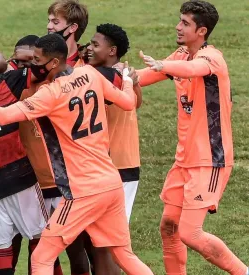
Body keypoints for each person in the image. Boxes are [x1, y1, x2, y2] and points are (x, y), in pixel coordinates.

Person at [0, 33, 154, 275]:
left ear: (53, 63)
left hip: (83, 191)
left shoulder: (51, 94)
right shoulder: (90, 74)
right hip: (111, 184)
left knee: (41, 259)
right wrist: (128, 80)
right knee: (124, 255)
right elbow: (129, 103)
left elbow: (2, 116)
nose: (32, 66)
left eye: (37, 60)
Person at [137, 1, 248, 275]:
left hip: (210, 159)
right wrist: (114, 77)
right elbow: (145, 76)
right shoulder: (182, 55)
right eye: (180, 21)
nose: (177, 26)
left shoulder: (212, 59)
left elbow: (194, 69)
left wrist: (165, 64)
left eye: (185, 23)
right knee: (169, 227)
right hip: (184, 159)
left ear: (202, 30)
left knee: (190, 232)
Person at [11, 35, 90, 275]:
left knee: (77, 250)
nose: (28, 68)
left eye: (32, 61)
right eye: (20, 63)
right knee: (36, 251)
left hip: (65, 183)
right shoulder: (13, 89)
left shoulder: (58, 87)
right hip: (30, 185)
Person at [81, 23, 142, 275]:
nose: (89, 48)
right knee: (97, 242)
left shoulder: (111, 77)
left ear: (112, 50)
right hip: (105, 169)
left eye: (96, 45)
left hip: (119, 167)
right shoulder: (114, 75)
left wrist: (130, 81)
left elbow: (133, 102)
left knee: (108, 245)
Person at [47, 0, 88, 67]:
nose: (48, 26)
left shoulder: (86, 62)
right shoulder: (40, 57)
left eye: (55, 22)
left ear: (73, 27)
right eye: (49, 21)